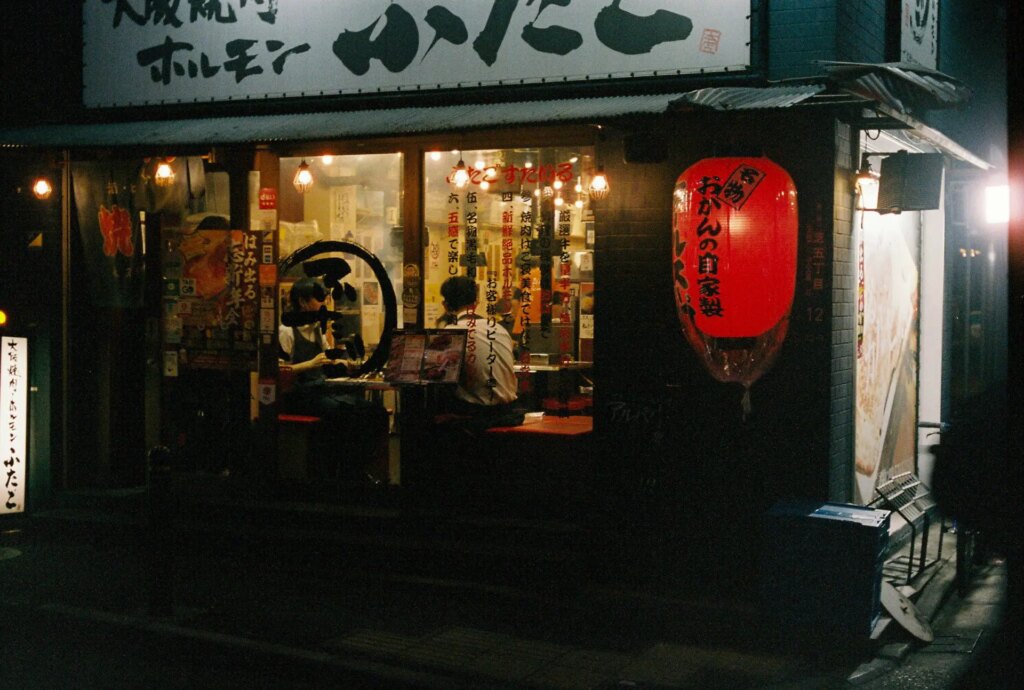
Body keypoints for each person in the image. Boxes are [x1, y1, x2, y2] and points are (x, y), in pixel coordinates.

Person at [278, 277, 388, 484]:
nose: (325, 304)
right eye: (320, 299)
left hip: (320, 391)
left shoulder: (318, 330)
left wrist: (343, 363)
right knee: (350, 413)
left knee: (375, 412)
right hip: (299, 395)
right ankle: (346, 472)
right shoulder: (286, 331)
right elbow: (278, 369)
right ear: (302, 302)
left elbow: (325, 363)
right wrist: (308, 365)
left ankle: (353, 468)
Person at [437, 275, 523, 433]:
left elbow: (439, 374)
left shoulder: (453, 332)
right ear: (476, 302)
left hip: (479, 416)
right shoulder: (498, 328)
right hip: (510, 412)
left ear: (446, 305)